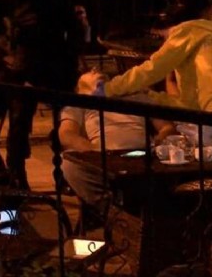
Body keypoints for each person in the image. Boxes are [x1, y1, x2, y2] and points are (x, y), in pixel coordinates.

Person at [80, 0, 212, 150]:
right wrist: (151, 96)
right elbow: (190, 102)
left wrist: (109, 89)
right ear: (210, 10)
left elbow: (151, 69)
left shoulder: (185, 33)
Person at [4, 0, 90, 189]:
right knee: (21, 114)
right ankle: (16, 174)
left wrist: (81, 23)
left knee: (64, 115)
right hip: (31, 48)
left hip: (61, 48)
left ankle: (63, 174)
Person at [59, 72, 176, 210]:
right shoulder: (80, 104)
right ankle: (111, 209)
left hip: (143, 154)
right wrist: (93, 150)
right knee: (68, 164)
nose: (95, 69)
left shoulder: (137, 97)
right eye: (89, 71)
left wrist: (160, 139)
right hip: (102, 156)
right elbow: (66, 134)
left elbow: (167, 127)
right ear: (80, 89)